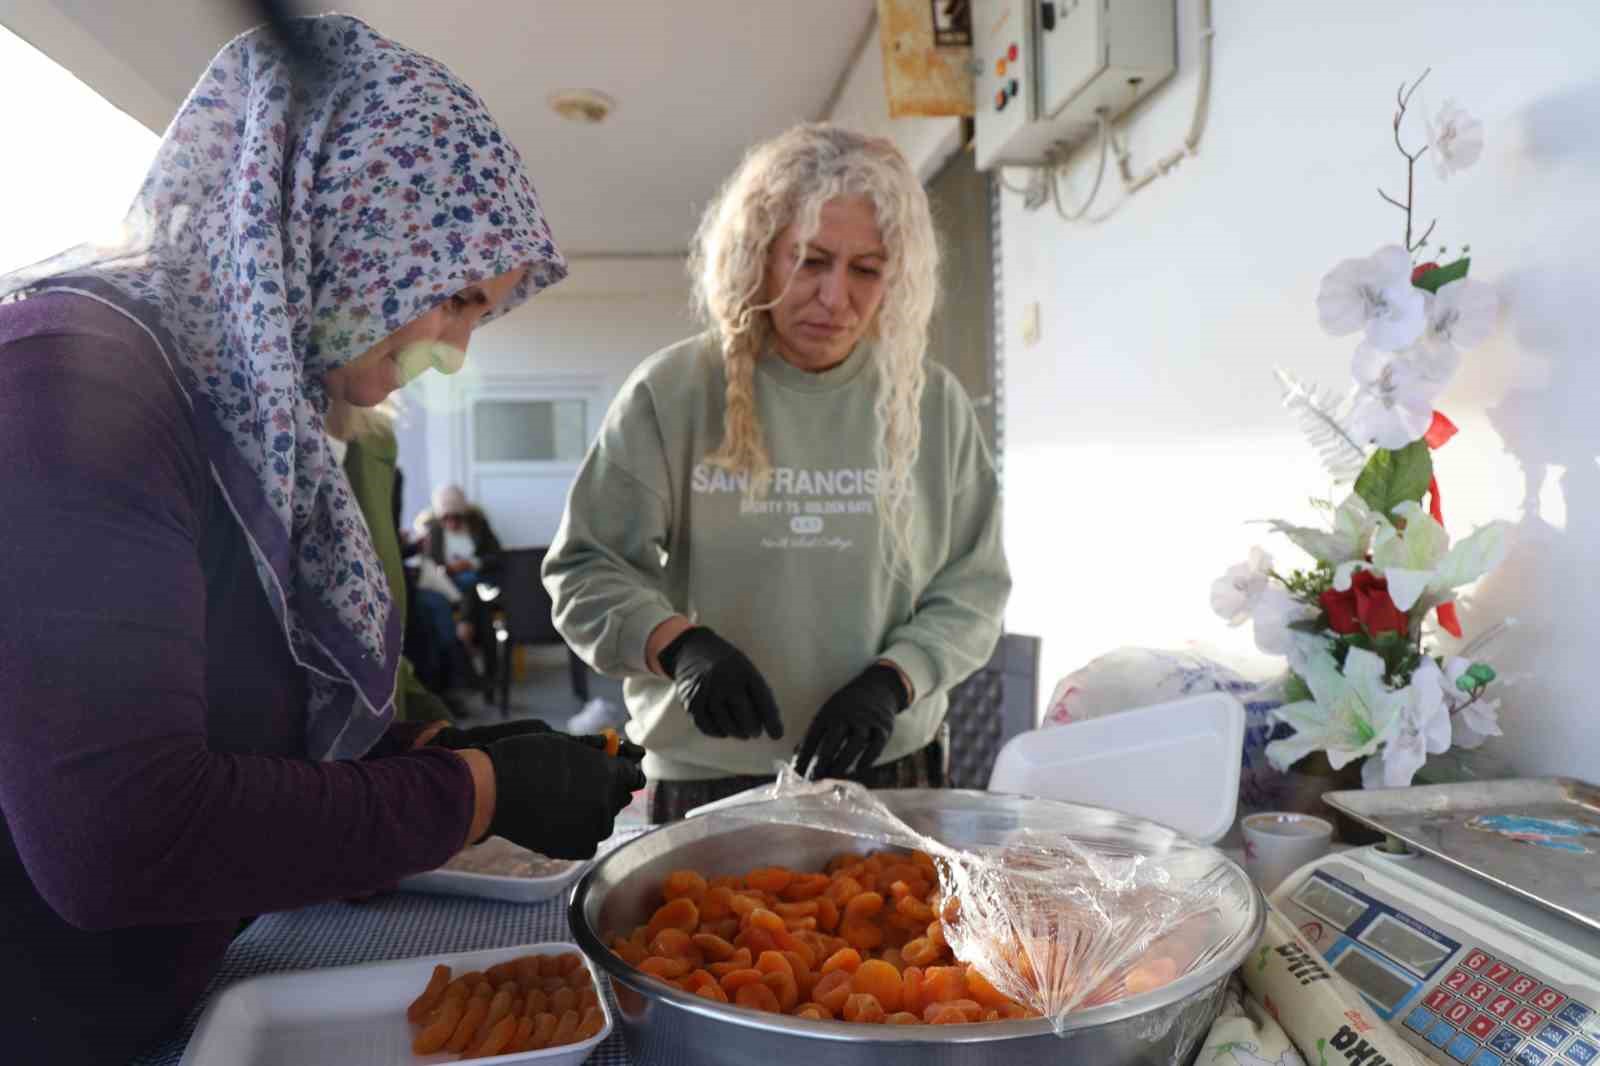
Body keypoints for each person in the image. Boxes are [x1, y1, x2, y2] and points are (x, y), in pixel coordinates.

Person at [0, 17, 644, 1063]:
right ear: (352, 219)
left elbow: (232, 725)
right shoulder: (71, 385)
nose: (453, 354)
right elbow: (116, 837)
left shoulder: (252, 424)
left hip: (174, 999)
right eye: (455, 301)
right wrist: (476, 796)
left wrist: (436, 755)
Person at [543, 124, 1010, 823]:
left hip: (886, 768)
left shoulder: (930, 403)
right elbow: (585, 569)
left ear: (896, 277)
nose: (833, 297)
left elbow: (973, 587)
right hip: (710, 775)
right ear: (759, 256)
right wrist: (681, 647)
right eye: (810, 261)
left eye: (866, 270)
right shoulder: (672, 392)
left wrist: (895, 680)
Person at [413, 484, 504, 692]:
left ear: (464, 515)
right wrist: (447, 568)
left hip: (476, 581)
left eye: (456, 517)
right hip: (447, 585)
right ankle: (486, 672)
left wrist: (472, 562)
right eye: (446, 518)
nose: (451, 523)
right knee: (477, 605)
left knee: (472, 585)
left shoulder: (478, 525)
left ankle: (465, 631)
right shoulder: (432, 530)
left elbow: (497, 557)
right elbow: (428, 564)